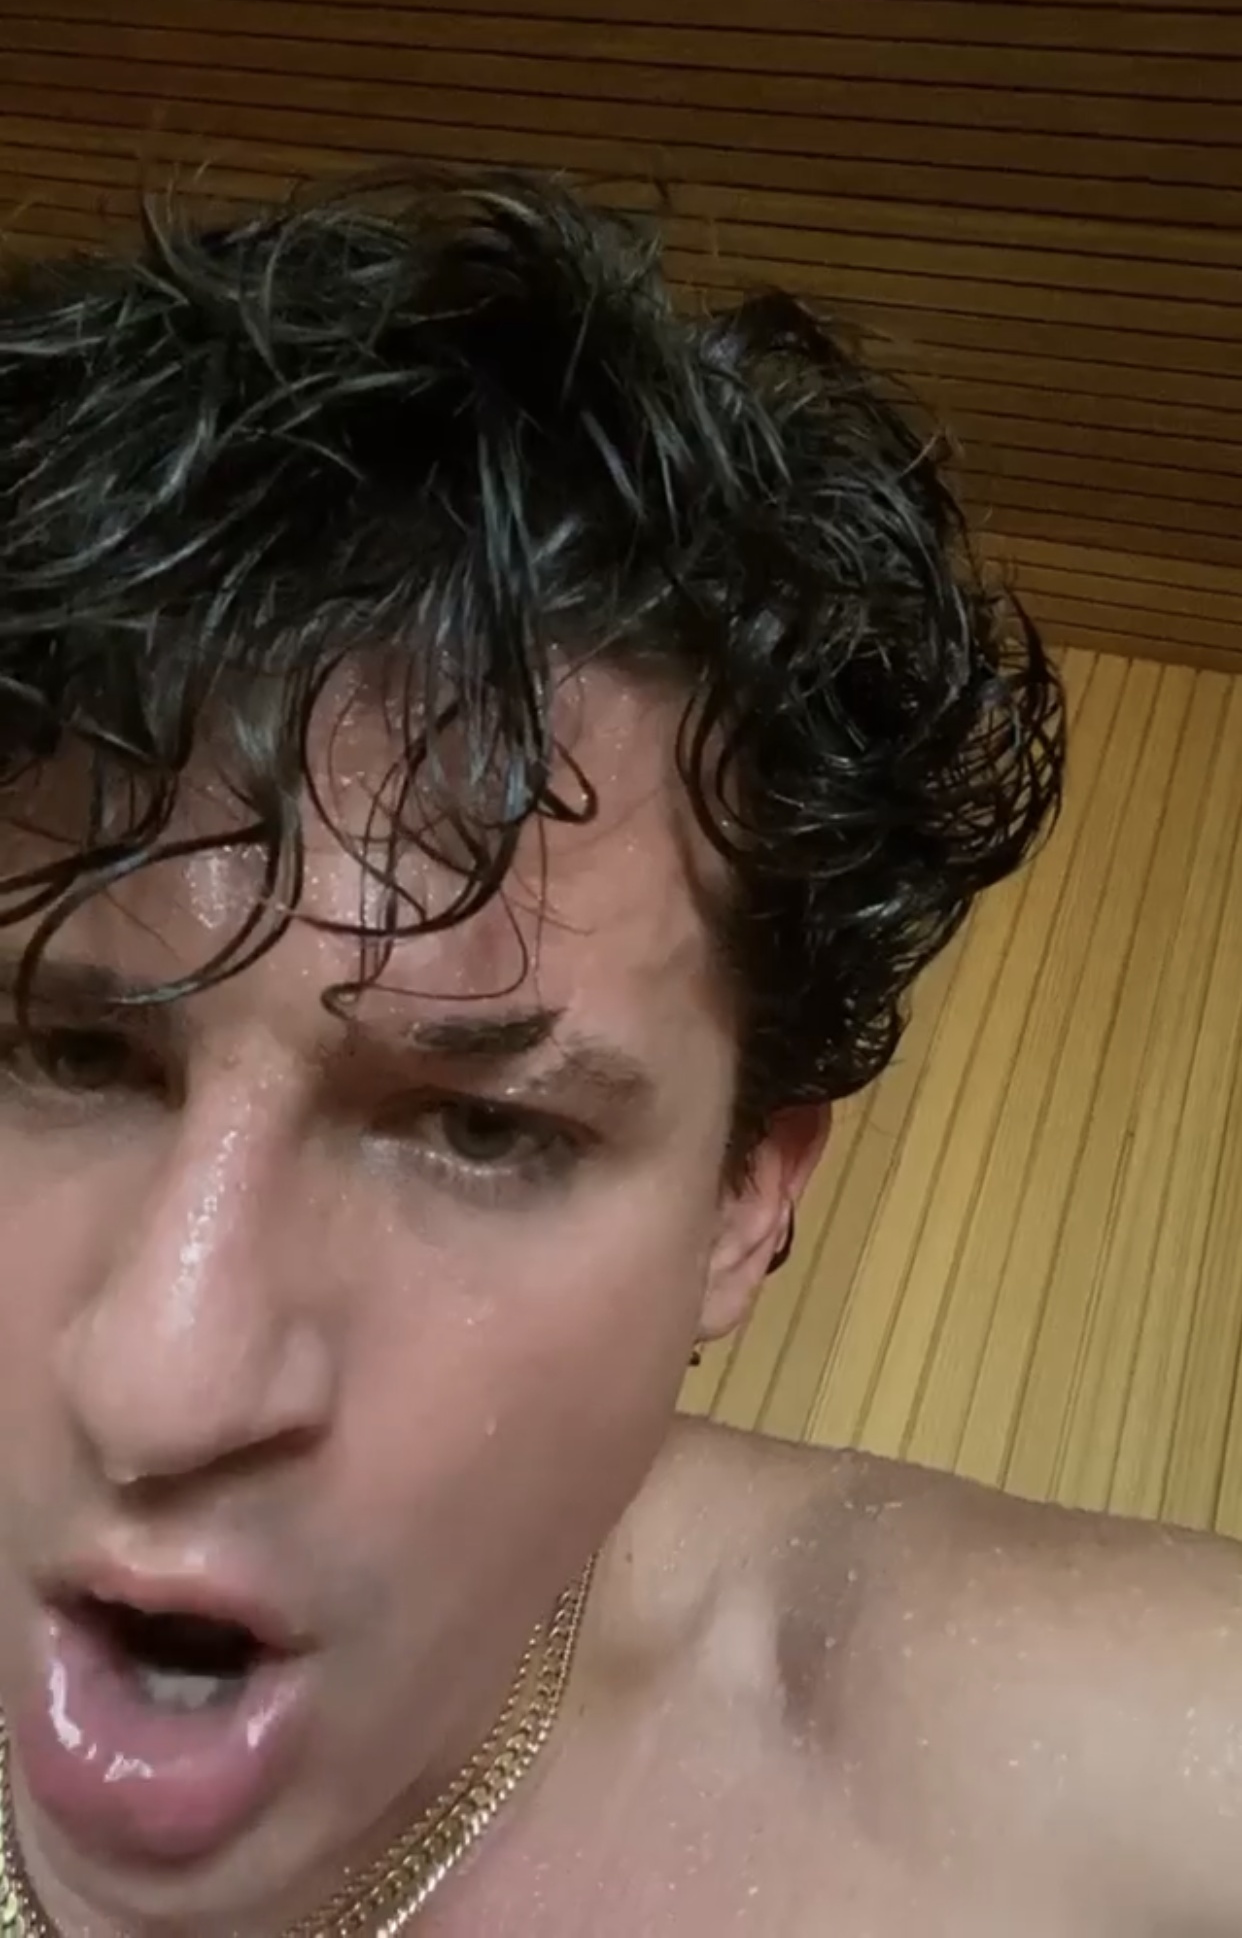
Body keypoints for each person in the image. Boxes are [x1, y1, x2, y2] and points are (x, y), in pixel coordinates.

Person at [0, 168, 1234, 1938]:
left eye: (483, 1130)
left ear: (743, 1207)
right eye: (68, 1057)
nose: (161, 1382)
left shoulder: (1054, 1800)